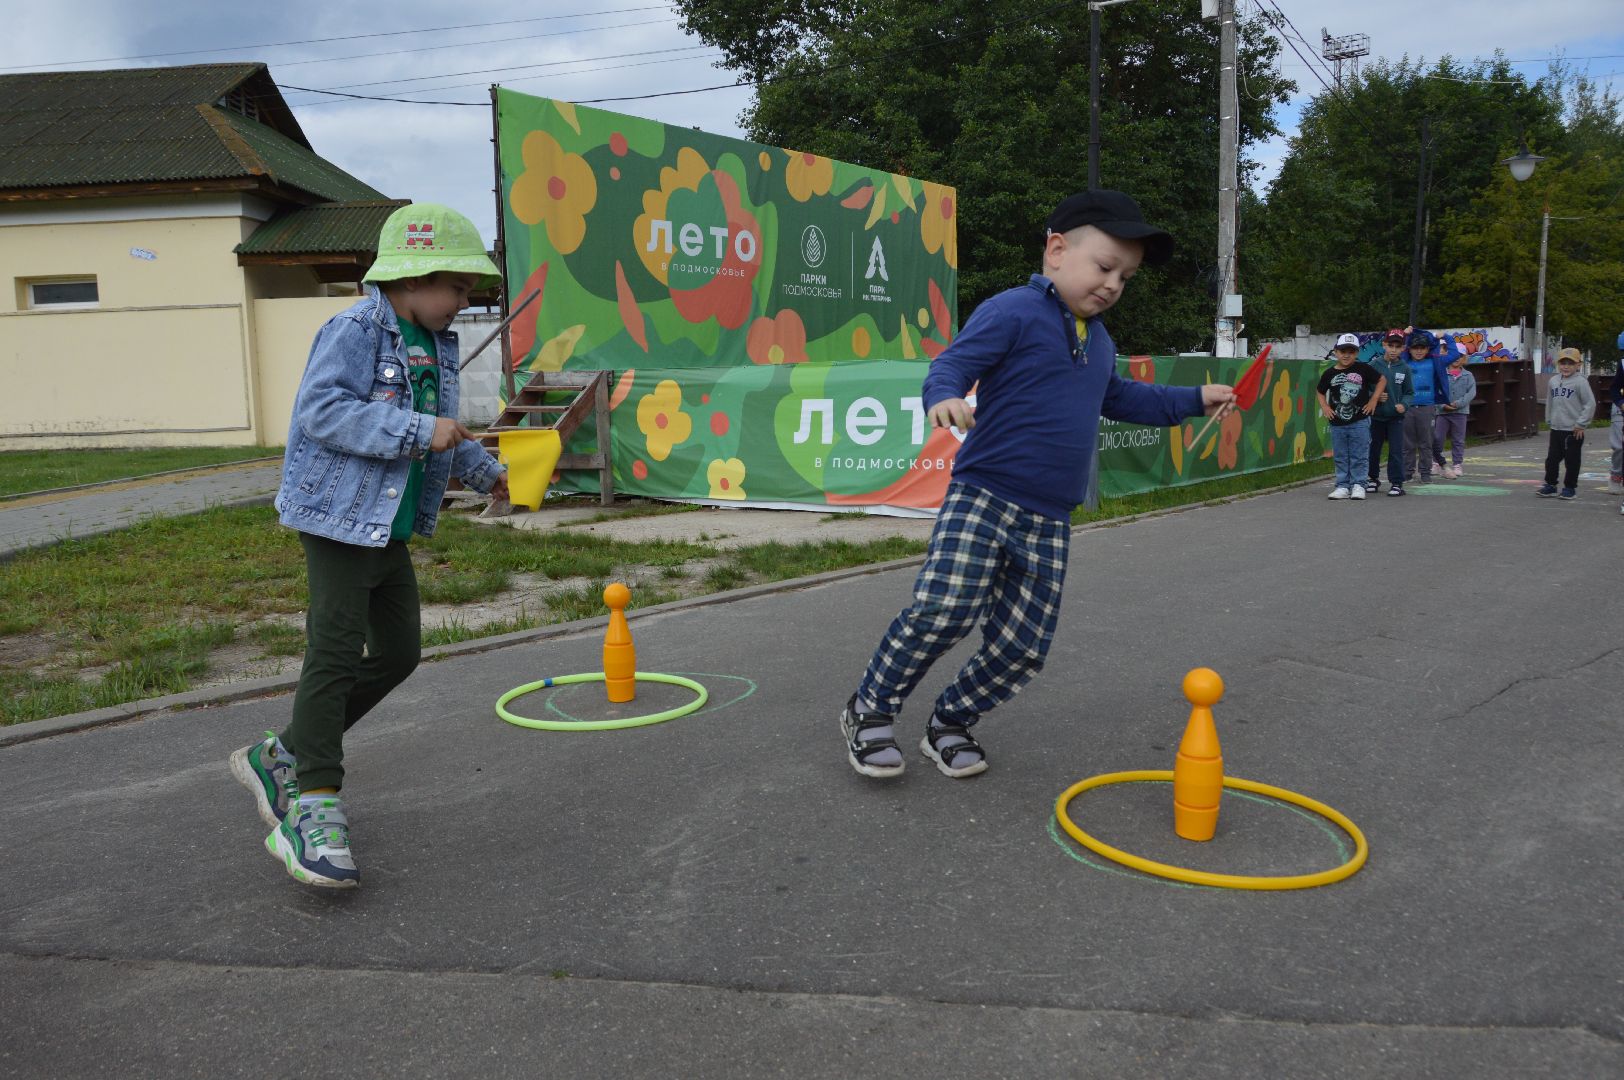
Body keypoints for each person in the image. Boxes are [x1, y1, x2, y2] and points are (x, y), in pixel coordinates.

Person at [837, 190, 1233, 779]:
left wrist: (1195, 399)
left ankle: (950, 722)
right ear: (1056, 250)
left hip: (1050, 515)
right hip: (985, 494)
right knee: (944, 610)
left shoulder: (1098, 341)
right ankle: (869, 709)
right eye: (1104, 267)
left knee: (1023, 647)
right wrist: (944, 396)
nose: (1113, 285)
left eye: (1125, 277)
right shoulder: (1013, 310)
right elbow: (952, 364)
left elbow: (1123, 398)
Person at [229, 204, 509, 888]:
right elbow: (320, 412)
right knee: (333, 650)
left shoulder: (437, 345)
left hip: (391, 524)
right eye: (460, 290)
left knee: (401, 652)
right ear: (414, 278)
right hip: (336, 518)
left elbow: (446, 432)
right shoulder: (355, 328)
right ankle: (314, 805)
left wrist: (491, 475)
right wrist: (416, 430)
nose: (465, 304)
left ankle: (287, 753)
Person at [1317, 334, 1386, 501]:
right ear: (1336, 352)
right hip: (1337, 423)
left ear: (1356, 353)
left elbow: (1381, 380)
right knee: (1341, 455)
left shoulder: (1363, 369)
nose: (1346, 355)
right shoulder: (1329, 373)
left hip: (1360, 421)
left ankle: (1358, 485)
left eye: (1351, 351)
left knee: (1359, 454)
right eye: (1342, 351)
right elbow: (1320, 391)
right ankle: (1342, 485)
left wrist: (1373, 400)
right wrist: (1325, 407)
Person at [1537, 347, 1595, 501]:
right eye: (1563, 363)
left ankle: (1570, 488)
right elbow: (1550, 401)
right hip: (1556, 428)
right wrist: (1548, 419)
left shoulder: (1581, 382)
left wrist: (1581, 424)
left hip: (1573, 430)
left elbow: (1590, 404)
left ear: (1578, 365)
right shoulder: (1554, 381)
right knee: (1552, 459)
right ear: (1558, 364)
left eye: (1570, 363)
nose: (1566, 367)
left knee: (1572, 460)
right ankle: (1550, 485)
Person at [1400, 329, 1454, 483]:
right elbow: (1400, 348)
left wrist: (1445, 337)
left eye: (1422, 348)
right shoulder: (1404, 362)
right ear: (1409, 349)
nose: (1418, 351)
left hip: (1427, 407)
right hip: (1408, 407)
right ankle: (1407, 472)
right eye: (1415, 348)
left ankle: (1425, 472)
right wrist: (1406, 335)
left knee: (1426, 442)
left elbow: (1455, 353)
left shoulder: (1435, 361)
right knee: (1407, 443)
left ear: (1428, 349)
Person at [1366, 328, 1413, 495]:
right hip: (1376, 416)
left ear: (1402, 348)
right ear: (1384, 345)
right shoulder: (1373, 365)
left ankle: (1397, 483)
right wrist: (1375, 396)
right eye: (1390, 345)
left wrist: (1404, 405)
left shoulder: (1404, 368)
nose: (1393, 349)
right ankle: (1372, 479)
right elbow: (1364, 390)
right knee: (1373, 449)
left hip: (1396, 417)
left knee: (1396, 450)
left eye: (1397, 346)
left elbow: (1409, 392)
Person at [1433, 351, 1477, 478]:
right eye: (1454, 355)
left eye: (1460, 356)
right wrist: (1442, 405)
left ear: (1464, 359)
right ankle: (1436, 463)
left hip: (1460, 413)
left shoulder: (1468, 375)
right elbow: (1436, 391)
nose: (1457, 358)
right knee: (1438, 438)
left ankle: (1457, 464)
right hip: (1442, 413)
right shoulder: (1441, 374)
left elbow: (1471, 393)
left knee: (1458, 439)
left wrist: (1458, 404)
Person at [1609, 330, 1624, 497]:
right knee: (1619, 446)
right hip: (1620, 408)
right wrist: (1620, 403)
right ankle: (1615, 475)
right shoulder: (1623, 364)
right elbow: (1614, 388)